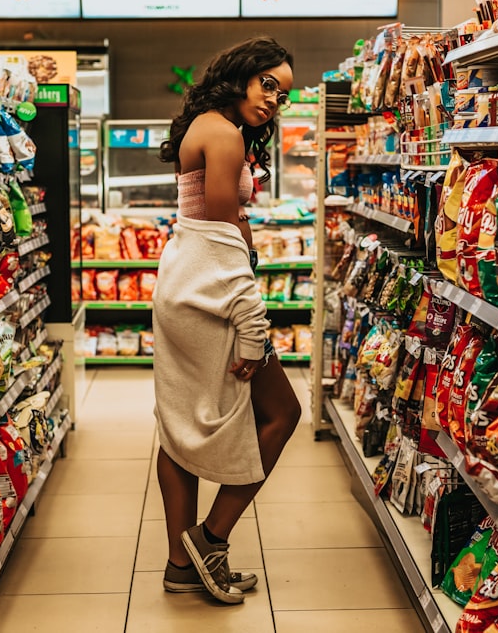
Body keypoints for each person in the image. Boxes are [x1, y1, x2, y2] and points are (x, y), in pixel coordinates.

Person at [152, 37, 301, 605]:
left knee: (181, 426)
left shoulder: (211, 126)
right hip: (208, 295)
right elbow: (220, 243)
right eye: (268, 84)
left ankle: (180, 566)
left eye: (282, 93)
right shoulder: (222, 132)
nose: (273, 100)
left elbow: (218, 230)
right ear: (241, 75)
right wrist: (252, 325)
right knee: (284, 412)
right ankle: (209, 540)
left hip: (189, 289)